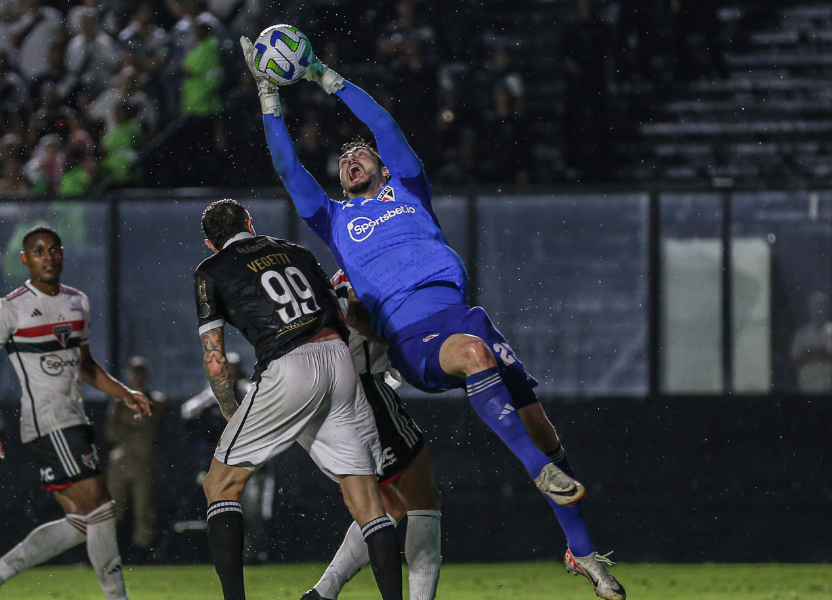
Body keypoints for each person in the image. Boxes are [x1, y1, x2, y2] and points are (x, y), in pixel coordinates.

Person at [241, 37, 625, 600]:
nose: (351, 158)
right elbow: (288, 168)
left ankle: (582, 552)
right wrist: (269, 96)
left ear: (380, 163)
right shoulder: (335, 220)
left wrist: (327, 77)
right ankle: (536, 473)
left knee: (543, 430)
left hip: (465, 316)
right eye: (344, 158)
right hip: (413, 337)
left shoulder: (410, 189)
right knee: (476, 360)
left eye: (361, 153)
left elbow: (386, 126)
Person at [194, 199, 403, 600]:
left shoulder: (210, 271)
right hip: (340, 360)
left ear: (210, 243)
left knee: (220, 485)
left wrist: (229, 410)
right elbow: (342, 314)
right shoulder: (295, 251)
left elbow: (216, 360)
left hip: (288, 365)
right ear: (250, 223)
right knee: (367, 503)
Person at [0, 225, 152, 600]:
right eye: (38, 252)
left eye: (53, 249)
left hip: (73, 419)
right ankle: (118, 598)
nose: (47, 257)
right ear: (24, 259)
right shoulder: (8, 308)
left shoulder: (77, 301)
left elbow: (84, 364)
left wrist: (124, 392)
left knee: (83, 521)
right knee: (101, 506)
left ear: (62, 254)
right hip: (49, 422)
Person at [303, 270, 442, 600]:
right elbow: (358, 317)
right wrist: (412, 338)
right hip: (360, 388)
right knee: (424, 499)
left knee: (385, 504)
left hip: (310, 394)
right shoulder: (368, 267)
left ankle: (324, 591)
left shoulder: (329, 275)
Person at [180, 352, 274, 564]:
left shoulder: (251, 392)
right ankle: (229, 553)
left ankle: (255, 553)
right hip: (223, 464)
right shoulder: (212, 396)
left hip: (251, 462)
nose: (231, 375)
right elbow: (187, 412)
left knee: (253, 512)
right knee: (226, 511)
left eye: (234, 370)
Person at [105, 356, 166, 558]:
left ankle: (143, 551)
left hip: (145, 459)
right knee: (114, 509)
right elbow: (111, 432)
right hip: (123, 460)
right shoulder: (120, 402)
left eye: (141, 373)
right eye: (135, 373)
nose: (138, 377)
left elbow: (155, 426)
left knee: (144, 510)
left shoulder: (156, 400)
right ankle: (105, 551)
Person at [791, 291, 832, 393]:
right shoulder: (801, 335)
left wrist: (809, 353)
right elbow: (795, 360)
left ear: (826, 309)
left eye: (821, 307)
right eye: (815, 307)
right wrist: (820, 353)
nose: (818, 310)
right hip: (808, 388)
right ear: (809, 309)